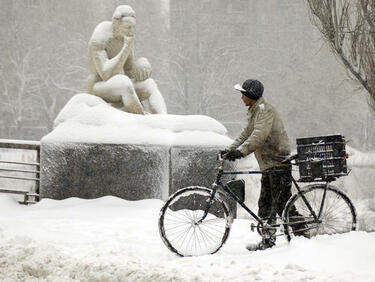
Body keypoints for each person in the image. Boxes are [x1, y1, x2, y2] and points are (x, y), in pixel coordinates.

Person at [223, 79, 307, 251]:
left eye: (243, 94)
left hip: (277, 162)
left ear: (251, 95)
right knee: (268, 204)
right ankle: (271, 240)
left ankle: (302, 237)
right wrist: (229, 150)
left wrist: (241, 152)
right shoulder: (255, 111)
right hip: (269, 164)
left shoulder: (264, 111)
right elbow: (246, 133)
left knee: (279, 204)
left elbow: (258, 136)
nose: (241, 98)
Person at [87, 5, 167, 115]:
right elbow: (106, 74)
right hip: (97, 87)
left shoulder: (125, 39)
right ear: (116, 25)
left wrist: (140, 65)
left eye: (133, 27)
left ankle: (164, 121)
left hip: (119, 86)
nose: (131, 31)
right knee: (123, 83)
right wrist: (126, 48)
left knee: (149, 84)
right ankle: (142, 121)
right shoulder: (99, 39)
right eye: (127, 27)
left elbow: (129, 71)